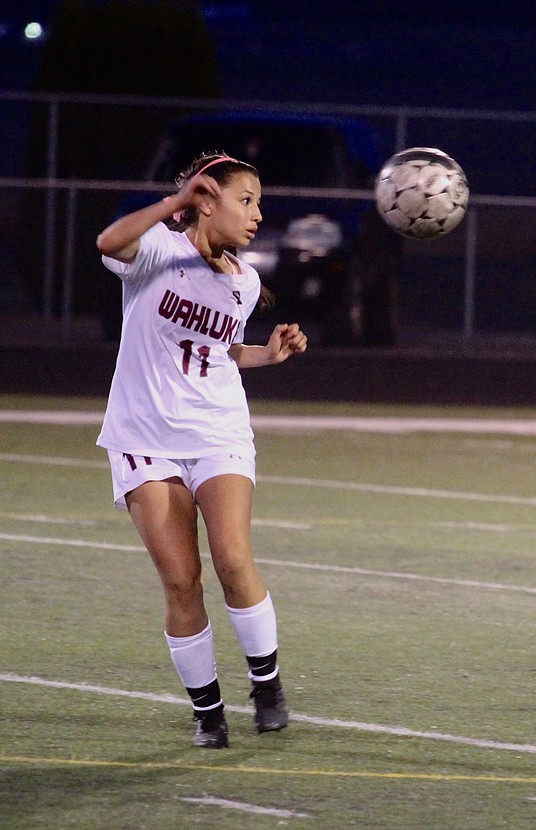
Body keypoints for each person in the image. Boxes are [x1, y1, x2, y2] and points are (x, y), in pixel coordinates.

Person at [95, 152, 308, 749]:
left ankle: (266, 685)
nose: (258, 215)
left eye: (258, 203)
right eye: (247, 201)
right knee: (182, 581)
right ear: (206, 200)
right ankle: (208, 712)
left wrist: (266, 354)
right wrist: (176, 200)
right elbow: (108, 241)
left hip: (217, 431)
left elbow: (219, 350)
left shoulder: (245, 281)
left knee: (232, 558)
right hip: (144, 439)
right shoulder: (158, 249)